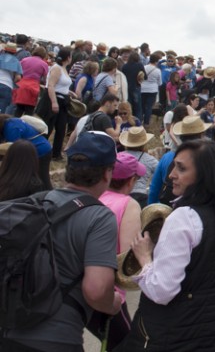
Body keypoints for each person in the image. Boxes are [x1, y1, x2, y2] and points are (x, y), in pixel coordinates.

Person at [1, 132, 122, 352]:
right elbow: (96, 290)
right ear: (107, 173)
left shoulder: (37, 201)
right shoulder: (100, 217)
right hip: (56, 339)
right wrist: (112, 303)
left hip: (8, 332)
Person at [119, 139, 215, 351]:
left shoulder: (184, 217)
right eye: (174, 166)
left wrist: (145, 257)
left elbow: (162, 291)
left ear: (205, 175)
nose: (171, 174)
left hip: (176, 334)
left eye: (181, 168)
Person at [88, 152, 143, 350]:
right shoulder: (128, 204)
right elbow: (128, 258)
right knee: (128, 343)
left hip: (81, 284)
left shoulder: (93, 196)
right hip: (108, 290)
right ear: (130, 181)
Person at [0, 113, 53, 189]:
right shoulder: (11, 121)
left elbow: (15, 150)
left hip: (41, 151)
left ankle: (50, 197)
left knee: (43, 179)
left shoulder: (12, 129)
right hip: (37, 149)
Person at [45, 46, 75, 160]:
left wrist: (69, 92)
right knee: (49, 127)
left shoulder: (63, 68)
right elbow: (51, 85)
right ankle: (42, 151)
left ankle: (56, 153)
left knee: (61, 128)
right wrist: (54, 102)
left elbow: (60, 85)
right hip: (54, 99)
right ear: (68, 57)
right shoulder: (57, 68)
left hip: (63, 100)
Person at [119, 126, 157, 207]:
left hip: (122, 194)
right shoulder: (150, 160)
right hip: (142, 196)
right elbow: (159, 174)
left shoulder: (120, 156)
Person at [13, 46, 49, 117]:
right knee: (29, 112)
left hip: (21, 86)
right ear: (44, 54)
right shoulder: (44, 64)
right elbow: (46, 79)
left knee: (18, 110)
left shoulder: (24, 60)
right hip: (33, 88)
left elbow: (16, 71)